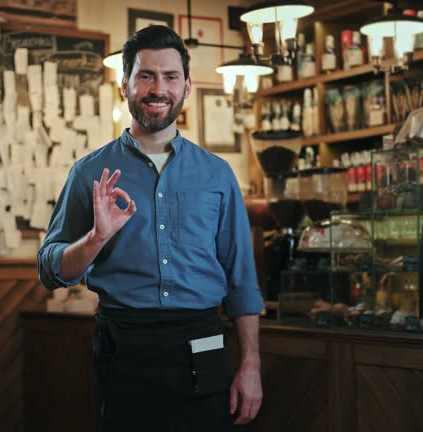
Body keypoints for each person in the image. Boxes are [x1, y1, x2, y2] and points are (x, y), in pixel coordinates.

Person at [37, 24, 263, 431]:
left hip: (203, 342)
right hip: (125, 347)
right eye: (146, 76)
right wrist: (96, 238)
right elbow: (50, 270)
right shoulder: (89, 172)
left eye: (170, 76)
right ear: (124, 85)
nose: (159, 88)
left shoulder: (217, 175)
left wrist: (250, 366)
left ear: (187, 86)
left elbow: (242, 281)